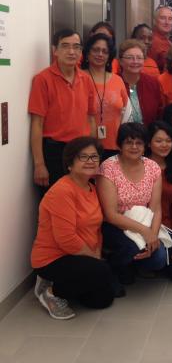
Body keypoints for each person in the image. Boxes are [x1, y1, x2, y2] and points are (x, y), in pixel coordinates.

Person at [31, 137, 114, 320]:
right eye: (83, 157)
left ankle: (69, 283)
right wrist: (94, 260)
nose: (90, 161)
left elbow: (96, 229)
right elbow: (66, 239)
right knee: (101, 271)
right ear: (69, 164)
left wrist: (97, 253)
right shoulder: (62, 191)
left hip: (81, 254)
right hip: (54, 258)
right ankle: (50, 290)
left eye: (94, 157)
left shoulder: (91, 188)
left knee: (103, 299)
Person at [97, 123, 170, 286]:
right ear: (120, 145)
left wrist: (153, 233)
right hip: (116, 225)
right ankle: (114, 266)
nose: (134, 147)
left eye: (139, 143)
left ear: (145, 145)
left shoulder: (152, 167)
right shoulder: (108, 168)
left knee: (159, 259)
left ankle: (136, 262)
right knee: (132, 248)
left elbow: (155, 208)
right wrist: (146, 232)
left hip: (144, 219)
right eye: (129, 142)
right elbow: (111, 215)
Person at [28, 29, 96, 192]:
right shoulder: (43, 79)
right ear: (55, 50)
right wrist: (39, 164)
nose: (71, 51)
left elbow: (91, 118)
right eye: (65, 46)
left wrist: (93, 151)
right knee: (55, 200)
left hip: (82, 149)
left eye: (76, 47)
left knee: (81, 197)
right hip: (54, 151)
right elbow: (37, 124)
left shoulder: (86, 79)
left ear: (81, 51)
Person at [81, 34, 128, 160]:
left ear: (109, 56)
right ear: (87, 52)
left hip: (115, 147)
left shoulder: (118, 80)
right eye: (96, 50)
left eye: (105, 51)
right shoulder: (79, 79)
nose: (100, 54)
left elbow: (126, 114)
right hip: (84, 148)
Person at [148, 121, 172, 243]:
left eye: (168, 140)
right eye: (158, 141)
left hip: (167, 228)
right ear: (148, 143)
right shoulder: (140, 167)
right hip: (143, 226)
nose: (164, 145)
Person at [119, 39, 163, 126]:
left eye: (139, 58)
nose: (135, 61)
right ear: (120, 61)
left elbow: (159, 112)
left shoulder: (153, 83)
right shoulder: (114, 82)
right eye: (130, 58)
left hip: (147, 135)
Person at [150, 5, 172, 71]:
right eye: (163, 18)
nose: (167, 22)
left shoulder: (169, 43)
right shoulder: (151, 41)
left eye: (170, 19)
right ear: (155, 21)